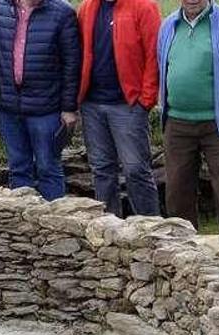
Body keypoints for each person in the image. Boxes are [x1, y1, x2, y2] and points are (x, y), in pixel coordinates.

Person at [158, 0, 219, 239]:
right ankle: (183, 252)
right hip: (177, 122)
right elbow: (161, 66)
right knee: (177, 190)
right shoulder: (168, 26)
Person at [0, 0, 81, 200]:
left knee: (48, 168)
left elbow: (72, 64)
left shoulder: (63, 12)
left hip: (46, 108)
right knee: (18, 167)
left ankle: (55, 223)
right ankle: (23, 224)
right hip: (9, 106)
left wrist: (69, 108)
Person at [77, 0, 162, 217]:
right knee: (102, 170)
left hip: (128, 105)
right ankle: (109, 232)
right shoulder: (87, 8)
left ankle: (151, 229)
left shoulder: (144, 7)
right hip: (92, 104)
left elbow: (155, 55)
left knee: (136, 170)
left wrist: (146, 100)